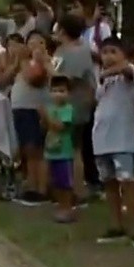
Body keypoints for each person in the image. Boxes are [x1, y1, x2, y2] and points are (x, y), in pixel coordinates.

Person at [93, 37, 134, 250]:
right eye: (105, 52)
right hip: (101, 138)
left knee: (128, 182)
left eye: (113, 51)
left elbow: (125, 68)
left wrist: (106, 72)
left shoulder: (129, 73)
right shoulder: (103, 81)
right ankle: (116, 225)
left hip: (122, 139)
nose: (108, 56)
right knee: (109, 183)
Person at [53, 13, 97, 202]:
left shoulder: (78, 51)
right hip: (65, 104)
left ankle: (78, 189)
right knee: (66, 147)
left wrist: (47, 67)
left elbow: (68, 79)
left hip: (76, 104)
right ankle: (66, 187)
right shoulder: (63, 50)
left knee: (74, 147)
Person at [11, 31, 52, 206]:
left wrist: (38, 60)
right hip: (21, 109)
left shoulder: (45, 63)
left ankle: (41, 189)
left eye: (40, 43)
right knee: (27, 150)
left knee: (36, 150)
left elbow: (35, 78)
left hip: (35, 110)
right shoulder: (24, 62)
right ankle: (31, 184)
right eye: (32, 43)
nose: (35, 47)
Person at [43, 75, 76, 223]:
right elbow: (45, 127)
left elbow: (60, 127)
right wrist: (43, 118)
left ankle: (67, 208)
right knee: (55, 182)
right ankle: (60, 207)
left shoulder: (68, 109)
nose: (58, 94)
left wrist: (46, 117)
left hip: (64, 152)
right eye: (54, 90)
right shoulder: (50, 108)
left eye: (62, 91)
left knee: (65, 183)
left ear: (68, 93)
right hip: (51, 151)